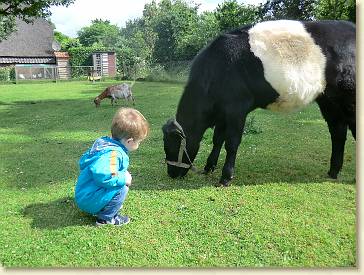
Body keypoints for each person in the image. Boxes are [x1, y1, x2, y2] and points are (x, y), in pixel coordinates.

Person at [75, 107, 149, 226]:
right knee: (122, 187)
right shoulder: (113, 154)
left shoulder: (104, 144)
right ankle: (105, 218)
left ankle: (103, 205)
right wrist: (124, 178)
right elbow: (106, 176)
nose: (139, 144)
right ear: (130, 141)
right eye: (139, 142)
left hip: (84, 195)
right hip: (89, 200)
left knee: (118, 184)